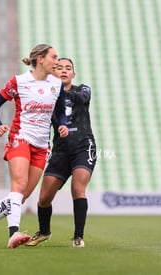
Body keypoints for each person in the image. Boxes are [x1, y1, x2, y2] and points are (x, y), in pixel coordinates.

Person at [0, 44, 69, 249]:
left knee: (20, 198)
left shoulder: (56, 85)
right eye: (54, 57)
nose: (57, 61)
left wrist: (62, 126)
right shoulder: (19, 81)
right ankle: (13, 233)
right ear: (40, 59)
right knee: (19, 184)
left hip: (42, 146)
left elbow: (60, 113)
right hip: (20, 138)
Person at [26, 57, 96, 248]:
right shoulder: (47, 97)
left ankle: (78, 237)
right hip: (60, 151)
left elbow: (83, 98)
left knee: (77, 188)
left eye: (68, 68)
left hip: (83, 146)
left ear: (73, 74)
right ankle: (44, 232)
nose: (64, 70)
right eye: (59, 67)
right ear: (53, 73)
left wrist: (59, 92)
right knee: (44, 199)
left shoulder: (82, 89)